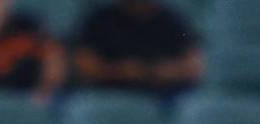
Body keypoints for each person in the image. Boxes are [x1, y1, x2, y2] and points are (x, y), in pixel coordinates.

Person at [71, 0, 201, 99]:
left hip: (164, 97)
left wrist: (168, 71)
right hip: (110, 94)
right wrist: (120, 71)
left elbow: (195, 67)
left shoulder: (171, 20)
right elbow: (84, 66)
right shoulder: (101, 19)